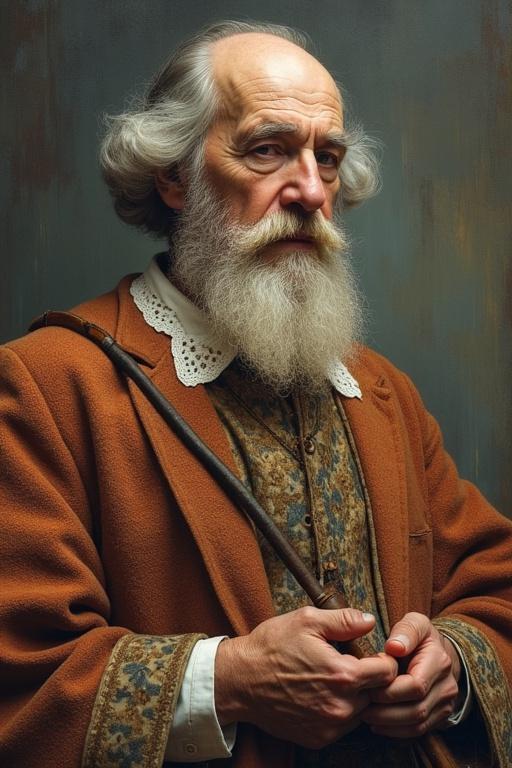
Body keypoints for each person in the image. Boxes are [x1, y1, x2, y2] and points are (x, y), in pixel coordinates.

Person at [0, 19, 511, 768]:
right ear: (173, 176)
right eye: (267, 149)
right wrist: (230, 680)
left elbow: (493, 582)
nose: (310, 190)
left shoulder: (381, 390)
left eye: (327, 157)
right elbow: (20, 675)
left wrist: (455, 663)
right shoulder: (46, 384)